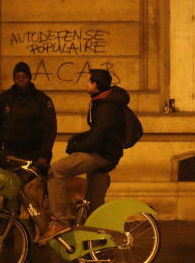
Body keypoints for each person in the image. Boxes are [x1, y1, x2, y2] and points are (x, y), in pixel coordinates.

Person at [40, 69, 130, 243]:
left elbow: (97, 138)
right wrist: (79, 137)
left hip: (100, 155)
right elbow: (99, 131)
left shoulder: (106, 106)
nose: (85, 84)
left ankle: (59, 222)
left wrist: (76, 147)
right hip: (107, 155)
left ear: (95, 84)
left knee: (55, 171)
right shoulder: (103, 102)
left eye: (88, 81)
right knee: (94, 205)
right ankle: (102, 247)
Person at [0, 61, 57, 168]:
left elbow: (50, 128)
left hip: (36, 154)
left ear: (29, 78)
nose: (21, 79)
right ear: (14, 79)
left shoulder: (42, 99)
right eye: (17, 76)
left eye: (24, 76)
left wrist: (44, 154)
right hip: (10, 153)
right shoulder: (4, 98)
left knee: (33, 185)